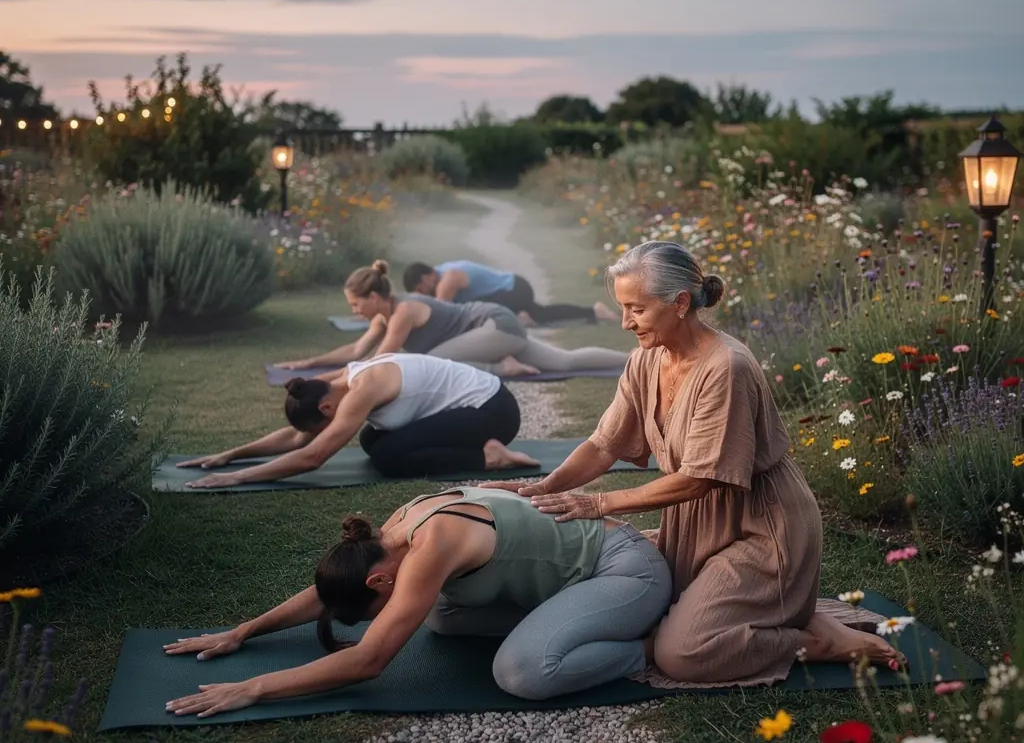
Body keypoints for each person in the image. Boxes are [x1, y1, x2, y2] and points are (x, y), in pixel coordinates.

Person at [482, 240, 903, 687]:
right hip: (693, 525)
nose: (625, 323)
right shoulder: (647, 358)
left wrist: (598, 504)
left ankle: (819, 643)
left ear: (680, 302)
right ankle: (791, 618)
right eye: (622, 308)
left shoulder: (727, 367)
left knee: (682, 654)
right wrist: (544, 490)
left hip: (764, 529)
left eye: (636, 309)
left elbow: (700, 480)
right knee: (631, 597)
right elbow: (604, 445)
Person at [162, 487, 673, 716]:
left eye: (371, 612)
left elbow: (369, 661)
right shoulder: (393, 531)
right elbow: (330, 590)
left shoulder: (432, 545)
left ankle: (647, 648)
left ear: (381, 582)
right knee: (443, 617)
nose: (374, 620)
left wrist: (253, 688)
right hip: (574, 575)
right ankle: (571, 620)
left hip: (626, 571)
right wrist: (244, 630)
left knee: (522, 673)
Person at [177, 353, 539, 489]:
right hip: (471, 408)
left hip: (494, 412)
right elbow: (297, 440)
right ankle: (483, 450)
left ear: (326, 411)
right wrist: (231, 455)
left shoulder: (363, 387)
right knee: (372, 441)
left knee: (388, 457)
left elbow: (312, 456)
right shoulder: (338, 383)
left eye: (322, 426)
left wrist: (235, 478)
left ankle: (489, 458)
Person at [274, 260, 631, 379]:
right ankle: (634, 359)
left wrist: (332, 378)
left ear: (372, 297)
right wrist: (311, 363)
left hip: (495, 325)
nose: (355, 311)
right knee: (564, 361)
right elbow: (356, 349)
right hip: (496, 328)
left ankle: (501, 367)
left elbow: (380, 360)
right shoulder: (384, 317)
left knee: (424, 361)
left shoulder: (403, 312)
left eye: (355, 304)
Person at [402, 260, 618, 327]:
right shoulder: (442, 273)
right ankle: (593, 311)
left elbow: (442, 313)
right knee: (541, 315)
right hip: (512, 290)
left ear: (427, 278)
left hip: (514, 289)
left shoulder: (448, 279)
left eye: (421, 290)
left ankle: (517, 317)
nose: (424, 295)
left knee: (470, 311)